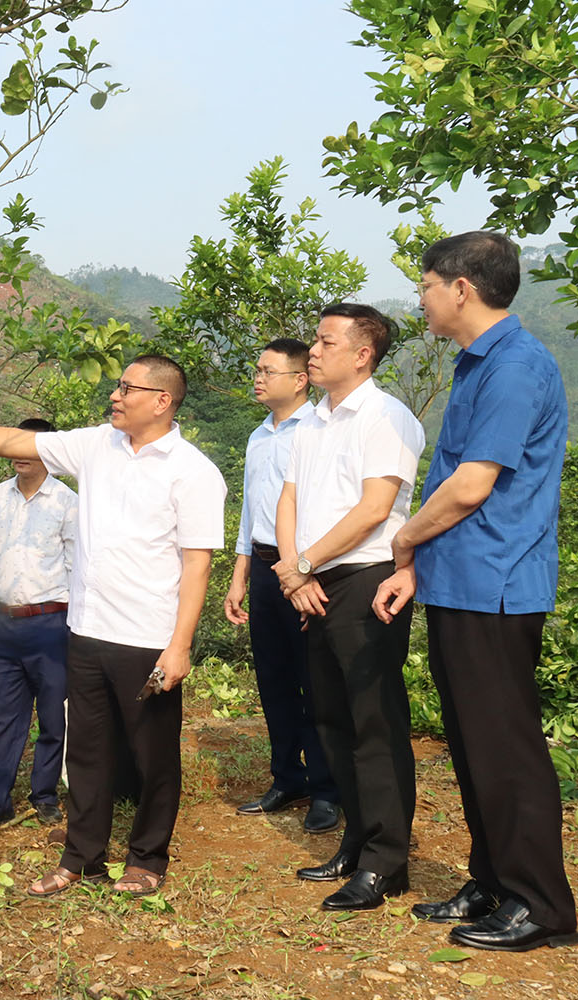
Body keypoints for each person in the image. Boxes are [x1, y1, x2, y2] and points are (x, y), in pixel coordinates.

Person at [0, 356, 225, 897]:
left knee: (152, 755)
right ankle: (81, 857)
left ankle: (147, 858)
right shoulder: (97, 445)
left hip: (148, 638)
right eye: (117, 386)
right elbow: (13, 441)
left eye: (127, 387)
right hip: (87, 632)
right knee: (87, 752)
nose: (115, 395)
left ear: (161, 401)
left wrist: (179, 646)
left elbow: (197, 565)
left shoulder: (193, 472)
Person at [373, 232, 577, 950]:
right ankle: (492, 880)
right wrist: (419, 564)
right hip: (462, 580)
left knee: (505, 746)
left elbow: (469, 486)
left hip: (498, 583)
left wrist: (403, 543)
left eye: (426, 286)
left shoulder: (515, 366)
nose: (420, 301)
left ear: (462, 287)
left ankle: (541, 904)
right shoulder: (478, 364)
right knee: (472, 742)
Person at [274, 303, 425, 912]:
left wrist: (303, 564)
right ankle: (357, 843)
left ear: (363, 355)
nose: (313, 351)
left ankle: (386, 862)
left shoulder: (386, 417)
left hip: (367, 580)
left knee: (374, 722)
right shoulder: (311, 422)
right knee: (331, 719)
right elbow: (288, 499)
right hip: (314, 582)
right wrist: (295, 572)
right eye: (314, 340)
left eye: (326, 342)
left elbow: (373, 510)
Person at [223, 340, 340, 835]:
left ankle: (327, 789)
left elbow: (327, 506)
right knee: (274, 679)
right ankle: (287, 777)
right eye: (257, 369)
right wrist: (239, 577)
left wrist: (306, 570)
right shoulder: (258, 436)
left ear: (299, 380)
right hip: (264, 566)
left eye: (268, 371)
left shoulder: (318, 431)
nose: (258, 377)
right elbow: (251, 512)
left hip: (306, 571)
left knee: (315, 682)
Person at [0, 417, 76, 831]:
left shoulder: (66, 501)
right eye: (16, 445)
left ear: (49, 453)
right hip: (6, 624)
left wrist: (78, 626)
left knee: (53, 716)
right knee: (2, 717)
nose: (20, 454)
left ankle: (45, 796)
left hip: (52, 623)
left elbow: (77, 566)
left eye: (31, 446)